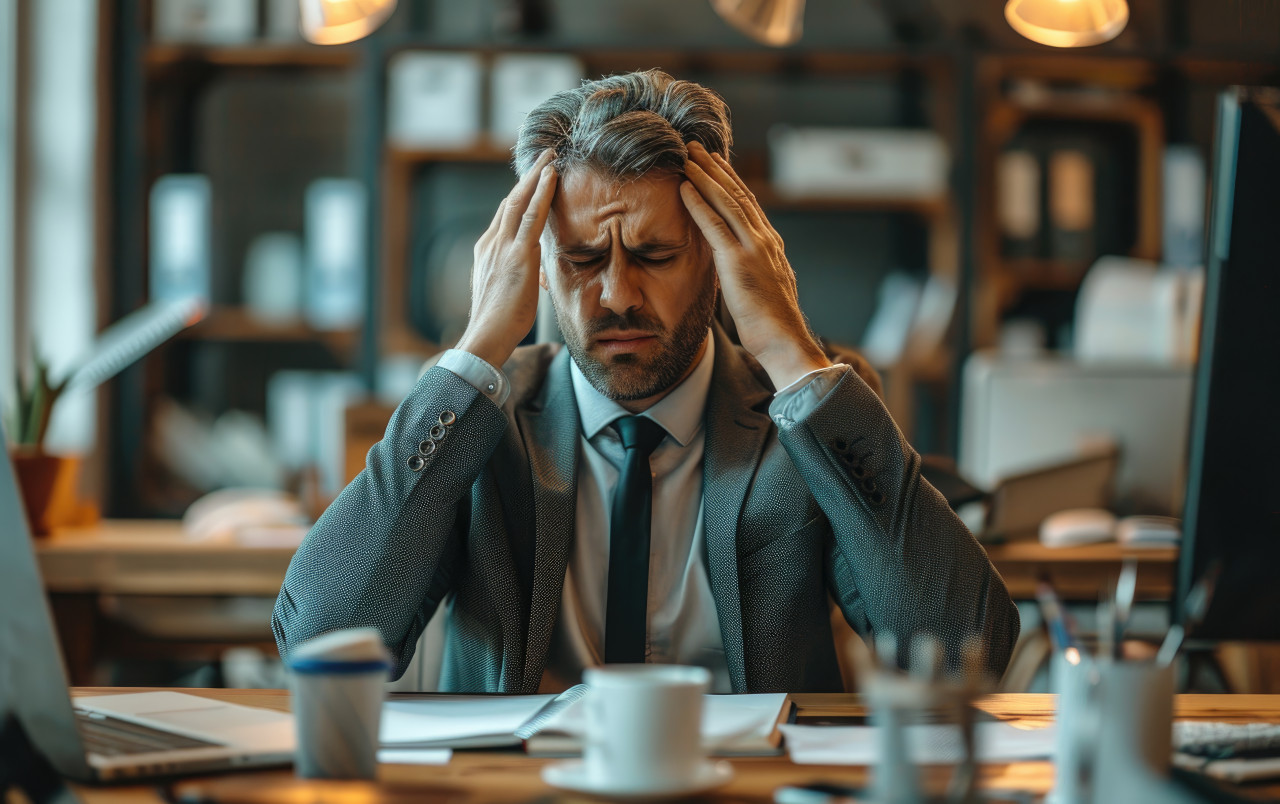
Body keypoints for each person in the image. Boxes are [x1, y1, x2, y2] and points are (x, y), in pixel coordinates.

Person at [272, 70, 1018, 693]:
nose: (618, 295)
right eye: (582, 259)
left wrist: (789, 349)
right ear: (534, 265)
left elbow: (966, 653)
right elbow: (318, 639)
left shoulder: (808, 412)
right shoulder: (479, 419)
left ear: (719, 254)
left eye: (655, 256)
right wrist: (476, 351)